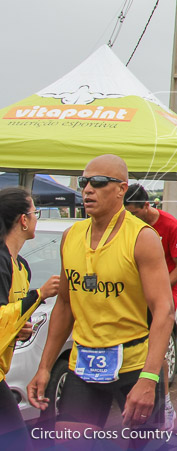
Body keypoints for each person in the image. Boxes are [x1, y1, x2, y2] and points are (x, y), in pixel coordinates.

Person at [27, 155, 176, 431]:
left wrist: (149, 377)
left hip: (134, 365)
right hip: (83, 365)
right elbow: (64, 306)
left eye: (98, 182)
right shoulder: (70, 236)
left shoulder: (142, 238)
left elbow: (164, 311)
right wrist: (45, 367)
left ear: (121, 188)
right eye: (84, 182)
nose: (87, 189)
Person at [123, 183, 177, 428]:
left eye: (134, 213)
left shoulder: (170, 225)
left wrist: (156, 288)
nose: (130, 219)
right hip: (133, 295)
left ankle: (165, 402)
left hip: (163, 293)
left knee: (155, 348)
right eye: (127, 214)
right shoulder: (124, 226)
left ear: (147, 206)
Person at [0, 188, 60, 446]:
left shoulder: (20, 265)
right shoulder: (1, 260)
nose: (37, 218)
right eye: (35, 212)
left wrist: (18, 329)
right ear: (23, 220)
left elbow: (8, 318)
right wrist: (39, 294)